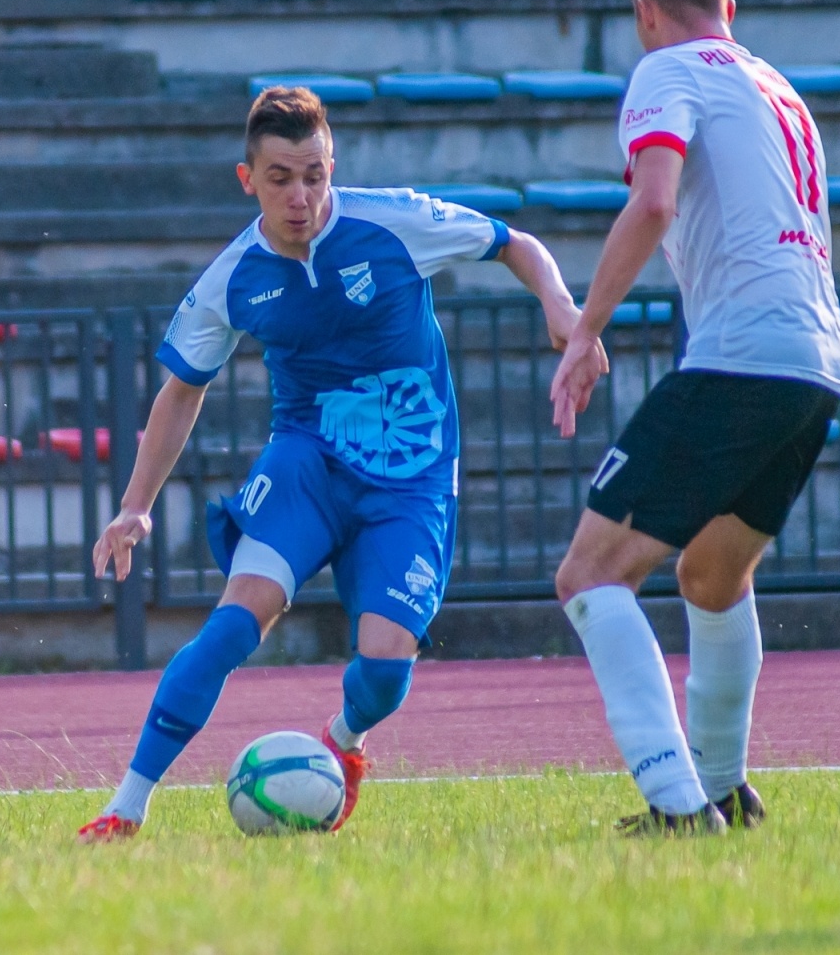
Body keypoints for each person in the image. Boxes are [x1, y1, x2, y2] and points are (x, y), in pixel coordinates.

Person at [79, 86, 589, 841]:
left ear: (333, 167)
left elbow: (514, 242)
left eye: (315, 174)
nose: (302, 195)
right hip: (308, 464)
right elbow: (181, 391)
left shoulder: (392, 221)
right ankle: (127, 806)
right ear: (246, 179)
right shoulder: (233, 278)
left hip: (412, 474)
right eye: (281, 177)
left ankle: (343, 742)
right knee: (229, 628)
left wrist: (562, 307)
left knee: (384, 670)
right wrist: (135, 503)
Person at [549, 0, 840, 836]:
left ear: (645, 13)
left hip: (742, 355)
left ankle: (679, 807)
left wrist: (585, 331)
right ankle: (724, 789)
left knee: (589, 573)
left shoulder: (666, 70)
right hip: (818, 362)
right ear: (730, 6)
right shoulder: (779, 87)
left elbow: (653, 198)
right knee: (713, 576)